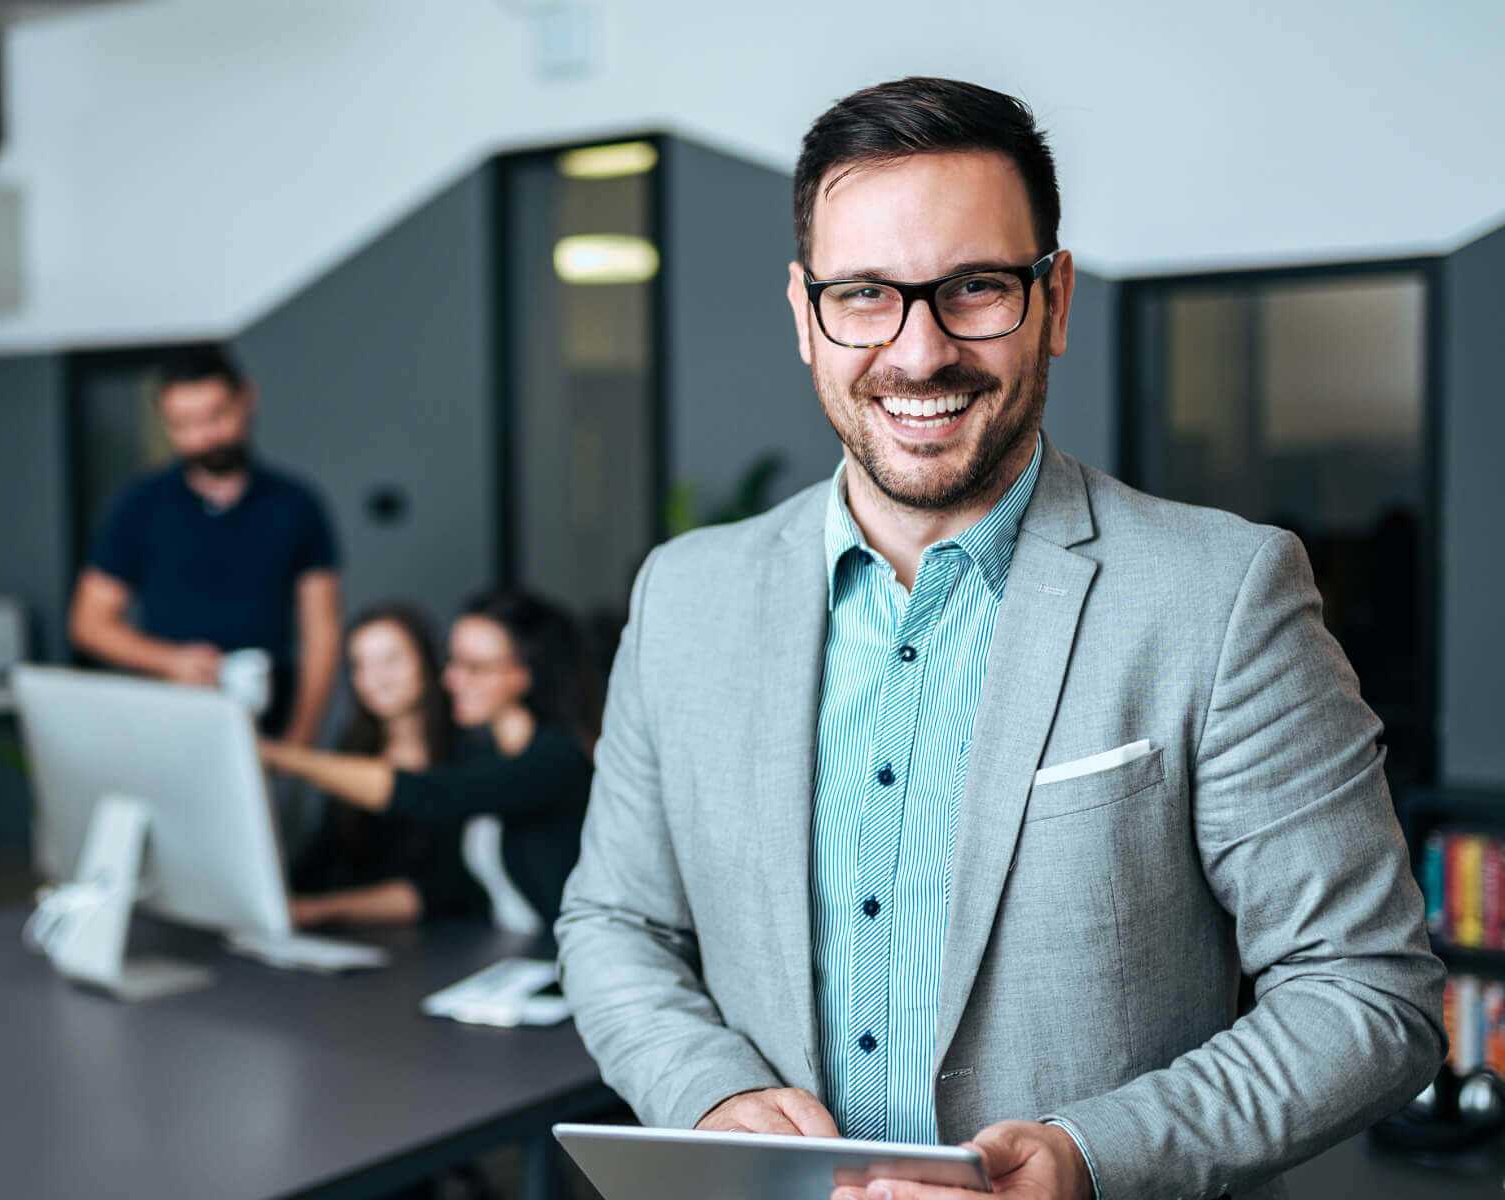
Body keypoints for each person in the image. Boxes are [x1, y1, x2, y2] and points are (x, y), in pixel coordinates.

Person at [555, 77, 1444, 1200]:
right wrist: (707, 1091)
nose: (919, 353)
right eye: (866, 294)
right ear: (804, 314)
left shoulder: (1221, 595)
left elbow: (1364, 994)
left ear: (1055, 299)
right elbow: (612, 922)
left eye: (973, 287)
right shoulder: (686, 596)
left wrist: (1088, 1159)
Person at [262, 589, 594, 933]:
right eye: (454, 662)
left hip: (569, 964)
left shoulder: (555, 759)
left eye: (474, 667)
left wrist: (279, 756)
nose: (450, 679)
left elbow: (428, 793)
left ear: (523, 675)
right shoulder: (493, 752)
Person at [68, 342, 341, 747]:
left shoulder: (297, 505)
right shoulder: (139, 507)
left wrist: (299, 742)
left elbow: (322, 631)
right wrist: (171, 662)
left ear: (246, 398)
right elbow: (89, 623)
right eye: (184, 423)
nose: (204, 436)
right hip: (169, 729)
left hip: (269, 730)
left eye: (216, 416)